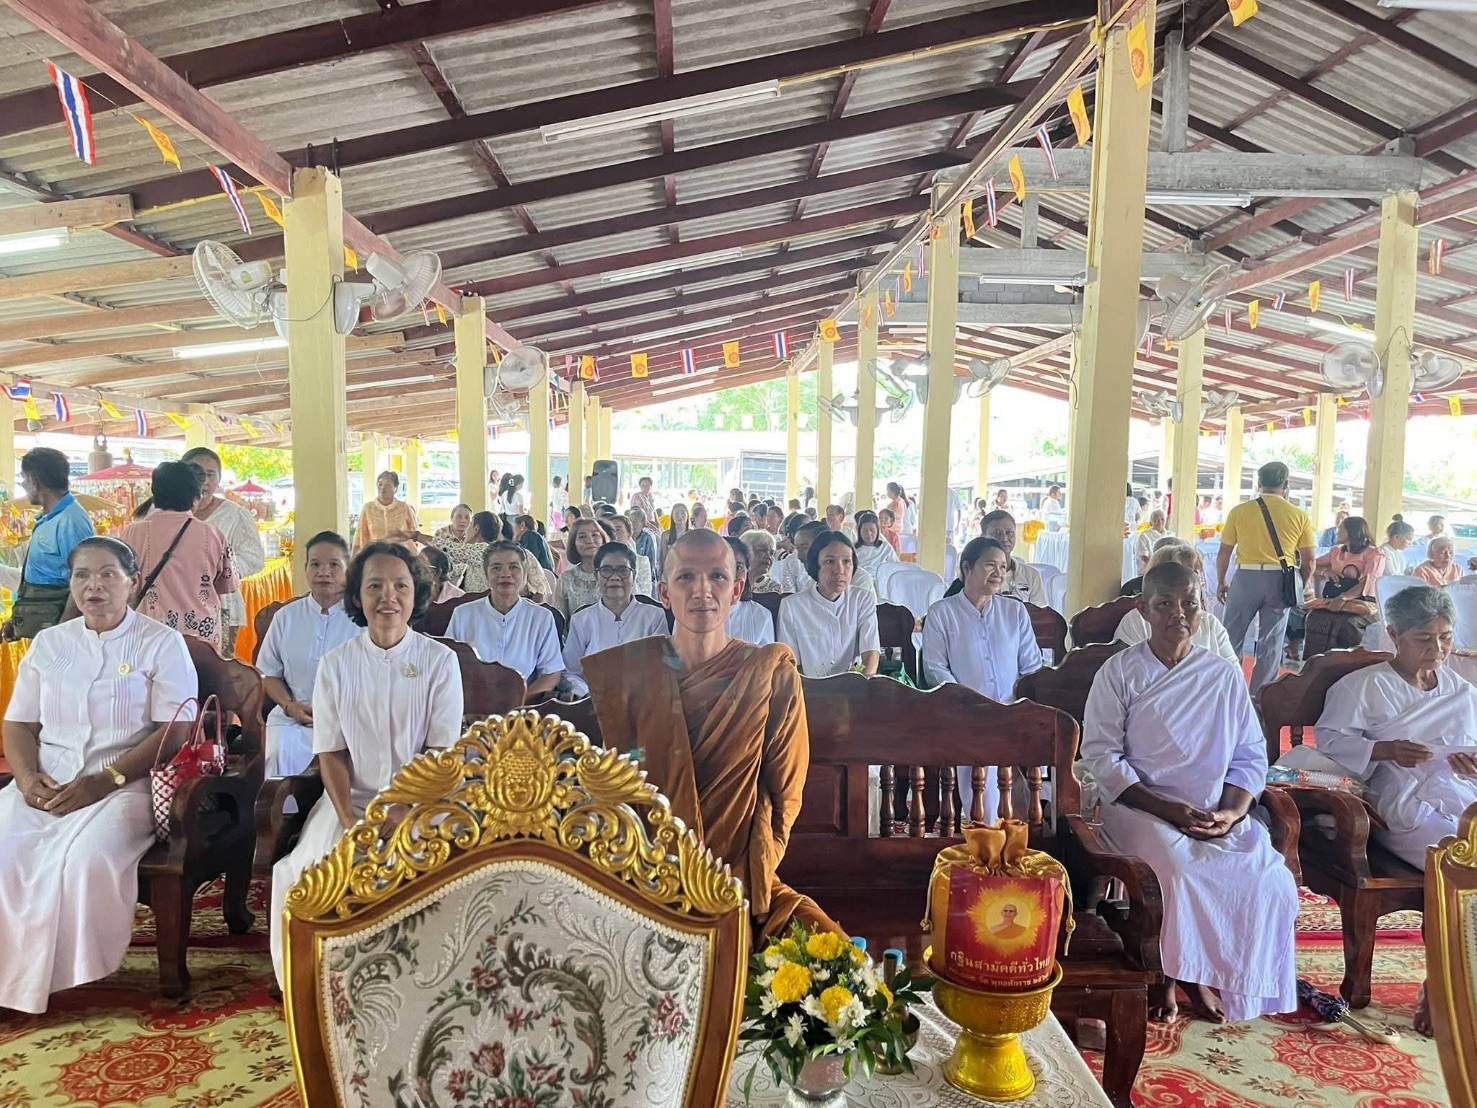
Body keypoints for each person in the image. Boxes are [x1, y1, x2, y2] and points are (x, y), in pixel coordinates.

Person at [582, 529, 838, 941]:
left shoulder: (770, 673)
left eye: (717, 577)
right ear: (664, 593)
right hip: (651, 881)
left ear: (737, 589)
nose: (703, 590)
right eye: (686, 578)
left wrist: (747, 880)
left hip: (746, 885)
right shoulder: (629, 676)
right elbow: (613, 795)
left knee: (838, 967)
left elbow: (785, 797)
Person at [1082, 561, 1298, 1023]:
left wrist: (1233, 813)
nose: (1178, 614)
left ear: (1204, 609)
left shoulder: (1222, 674)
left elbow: (1250, 754)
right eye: (1165, 604)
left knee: (1270, 879)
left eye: (1190, 604)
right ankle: (1171, 979)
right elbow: (1103, 758)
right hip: (1137, 807)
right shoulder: (1119, 672)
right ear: (1144, 610)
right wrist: (1167, 809)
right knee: (1179, 873)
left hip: (1211, 810)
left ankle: (1217, 975)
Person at [0, 536, 200, 1014]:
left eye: (108, 574)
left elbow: (176, 730)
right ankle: (11, 978)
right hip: (46, 783)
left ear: (131, 583)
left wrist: (105, 780)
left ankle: (54, 976)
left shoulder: (160, 642)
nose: (95, 586)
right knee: (6, 854)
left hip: (125, 787)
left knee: (83, 860)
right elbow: (18, 723)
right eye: (83, 575)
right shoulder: (51, 644)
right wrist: (27, 781)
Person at [269, 543, 463, 985]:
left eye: (400, 586)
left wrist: (401, 810)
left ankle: (418, 982)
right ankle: (306, 986)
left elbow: (440, 753)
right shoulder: (336, 665)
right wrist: (347, 820)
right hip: (349, 798)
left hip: (422, 800)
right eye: (374, 585)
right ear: (356, 596)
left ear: (417, 596)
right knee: (303, 870)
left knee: (424, 870)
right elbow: (331, 751)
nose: (387, 597)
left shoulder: (439, 662)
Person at [1315, 584, 1477, 1035]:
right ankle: (1445, 986)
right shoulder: (1364, 686)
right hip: (1395, 799)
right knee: (1456, 863)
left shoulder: (1461, 691)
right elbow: (1330, 740)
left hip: (1454, 789)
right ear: (1394, 634)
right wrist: (1384, 749)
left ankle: (1454, 984)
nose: (1437, 649)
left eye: (1444, 637)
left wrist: (1470, 764)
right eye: (1424, 639)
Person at [922, 537, 1044, 819]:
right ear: (967, 568)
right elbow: (935, 669)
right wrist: (971, 706)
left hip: (1012, 715)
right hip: (966, 717)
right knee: (981, 782)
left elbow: (1031, 666)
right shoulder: (942, 613)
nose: (999, 572)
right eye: (990, 565)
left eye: (1003, 566)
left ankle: (1015, 837)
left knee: (1020, 793)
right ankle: (985, 832)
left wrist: (1019, 710)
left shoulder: (1014, 611)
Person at [257, 532, 360, 778]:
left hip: (350, 722)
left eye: (334, 565)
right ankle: (280, 815)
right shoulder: (286, 617)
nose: (323, 572)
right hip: (292, 719)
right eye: (315, 564)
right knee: (275, 753)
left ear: (349, 570)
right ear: (305, 569)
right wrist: (289, 705)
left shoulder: (363, 620)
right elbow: (268, 673)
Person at [1216, 462, 1316, 694]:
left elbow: (1224, 552)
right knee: (1271, 642)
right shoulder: (1299, 515)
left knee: (1231, 636)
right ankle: (1260, 698)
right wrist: (1302, 581)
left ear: (1259, 483)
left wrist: (1222, 581)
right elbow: (1310, 560)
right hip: (1280, 581)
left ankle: (1228, 690)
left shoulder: (1239, 512)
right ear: (1286, 485)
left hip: (1246, 577)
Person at [121, 462, 238, 651]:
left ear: (155, 494)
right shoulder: (213, 534)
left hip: (148, 634)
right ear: (196, 495)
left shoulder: (131, 533)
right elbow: (227, 584)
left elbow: (123, 586)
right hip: (200, 638)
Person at [446, 543, 562, 700]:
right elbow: (448, 666)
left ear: (525, 574)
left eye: (514, 567)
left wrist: (518, 702)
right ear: (486, 575)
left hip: (521, 708)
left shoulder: (541, 618)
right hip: (471, 706)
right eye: (496, 568)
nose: (505, 574)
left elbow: (552, 673)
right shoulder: (463, 614)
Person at [1, 447, 93, 639]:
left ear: (34, 481)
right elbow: (37, 577)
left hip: (58, 629)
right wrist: (17, 618)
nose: (24, 486)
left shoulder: (71, 521)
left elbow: (83, 581)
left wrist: (62, 633)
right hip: (41, 623)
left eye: (24, 480)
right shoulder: (46, 519)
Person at [182, 447, 266, 656]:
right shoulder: (165, 513)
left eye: (210, 474)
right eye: (197, 473)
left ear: (218, 479)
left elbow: (254, 557)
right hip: (177, 604)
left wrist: (222, 571)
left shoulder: (235, 515)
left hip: (223, 606)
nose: (204, 480)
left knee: (219, 668)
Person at [561, 542, 668, 697]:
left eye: (623, 570)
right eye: (606, 570)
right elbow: (570, 671)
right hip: (592, 703)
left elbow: (661, 668)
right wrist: (586, 695)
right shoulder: (581, 620)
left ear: (634, 575)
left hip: (642, 703)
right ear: (596, 576)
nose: (615, 577)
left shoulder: (654, 617)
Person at [778, 530, 880, 677]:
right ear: (815, 565)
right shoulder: (792, 606)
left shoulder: (862, 599)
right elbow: (791, 665)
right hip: (809, 692)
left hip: (854, 690)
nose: (839, 571)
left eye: (847, 562)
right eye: (830, 562)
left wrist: (860, 689)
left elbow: (870, 654)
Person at [1115, 543, 1238, 662]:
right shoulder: (1136, 622)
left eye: (1196, 573)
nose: (1195, 580)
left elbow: (1233, 674)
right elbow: (1127, 672)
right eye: (1186, 572)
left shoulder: (1210, 623)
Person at [979, 510, 1047, 605]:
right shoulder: (975, 574)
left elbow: (1041, 616)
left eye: (1009, 533)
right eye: (997, 533)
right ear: (983, 537)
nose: (1004, 538)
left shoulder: (1031, 575)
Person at [1313, 516, 1386, 599]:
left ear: (1352, 531)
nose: (1337, 532)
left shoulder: (1375, 554)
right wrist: (1324, 571)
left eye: (1341, 528)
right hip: (1333, 597)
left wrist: (1343, 598)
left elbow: (1369, 582)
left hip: (1359, 601)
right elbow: (1311, 565)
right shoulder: (1337, 551)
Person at [726, 535, 776, 647]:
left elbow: (768, 660)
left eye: (738, 567)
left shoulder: (761, 615)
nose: (731, 573)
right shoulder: (693, 612)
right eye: (725, 566)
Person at [553, 517, 606, 618]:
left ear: (603, 540)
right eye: (582, 537)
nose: (589, 540)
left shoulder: (617, 574)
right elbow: (560, 623)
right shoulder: (566, 579)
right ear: (574, 544)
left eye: (595, 535)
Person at [355, 470, 418, 552]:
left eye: (387, 485)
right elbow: (360, 537)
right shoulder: (368, 508)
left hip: (402, 556)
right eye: (380, 484)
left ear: (395, 488)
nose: (382, 488)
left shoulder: (405, 508)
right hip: (376, 555)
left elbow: (414, 535)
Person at [604, 514, 655, 597]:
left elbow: (645, 596)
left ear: (629, 534)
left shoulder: (641, 561)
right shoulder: (600, 562)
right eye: (609, 531)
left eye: (617, 530)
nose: (613, 535)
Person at [853, 510, 897, 579]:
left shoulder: (885, 548)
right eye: (865, 530)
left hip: (881, 581)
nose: (869, 533)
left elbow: (895, 567)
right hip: (860, 582)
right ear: (859, 531)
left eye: (872, 530)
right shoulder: (852, 548)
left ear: (877, 531)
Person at [742, 528, 783, 595]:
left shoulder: (774, 588)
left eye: (772, 553)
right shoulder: (732, 583)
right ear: (746, 552)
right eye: (762, 550)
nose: (769, 557)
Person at [626, 507, 660, 571]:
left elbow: (651, 560)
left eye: (635, 521)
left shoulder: (648, 537)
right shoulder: (626, 536)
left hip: (644, 572)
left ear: (642, 523)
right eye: (630, 521)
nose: (632, 524)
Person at [1136, 509, 1167, 573]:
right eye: (1156, 520)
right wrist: (1155, 567)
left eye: (1162, 519)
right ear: (1151, 522)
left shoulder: (1169, 535)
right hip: (1147, 571)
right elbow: (1144, 556)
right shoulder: (1144, 536)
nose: (1160, 522)